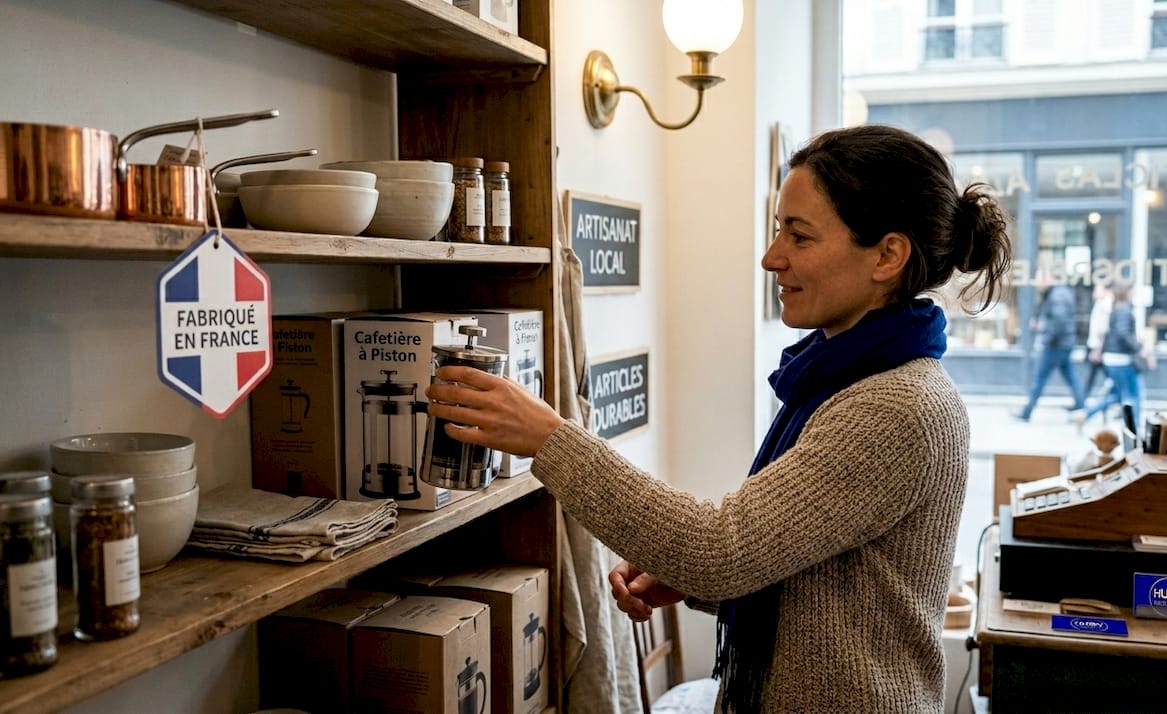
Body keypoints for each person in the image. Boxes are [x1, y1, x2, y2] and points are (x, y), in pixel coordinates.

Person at [425, 124, 1012, 713]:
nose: (771, 257)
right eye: (778, 229)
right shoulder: (843, 379)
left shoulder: (895, 407)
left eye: (799, 235)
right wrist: (691, 579)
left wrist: (550, 438)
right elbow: (810, 567)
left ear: (887, 255)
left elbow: (721, 549)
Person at [1076, 281, 1152, 431]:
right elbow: (1122, 333)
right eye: (1132, 291)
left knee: (1118, 394)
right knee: (1133, 395)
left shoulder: (1116, 308)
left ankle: (1085, 414)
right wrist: (1139, 348)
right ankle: (1134, 428)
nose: (1134, 294)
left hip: (1112, 357)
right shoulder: (1123, 310)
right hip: (1121, 359)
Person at [1012, 278, 1086, 421]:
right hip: (1063, 344)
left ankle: (1027, 412)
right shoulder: (1059, 293)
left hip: (1055, 346)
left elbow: (1059, 322)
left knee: (1039, 379)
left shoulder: (1057, 295)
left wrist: (1046, 333)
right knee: (1071, 377)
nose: (1036, 285)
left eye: (1039, 281)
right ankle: (1081, 406)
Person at [1083, 280, 1114, 401]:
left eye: (1097, 289)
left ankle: (1082, 401)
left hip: (1100, 347)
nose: (1094, 293)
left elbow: (1103, 330)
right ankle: (1082, 401)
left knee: (1111, 378)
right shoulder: (1100, 304)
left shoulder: (1105, 305)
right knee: (1095, 377)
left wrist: (1098, 350)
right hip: (1097, 346)